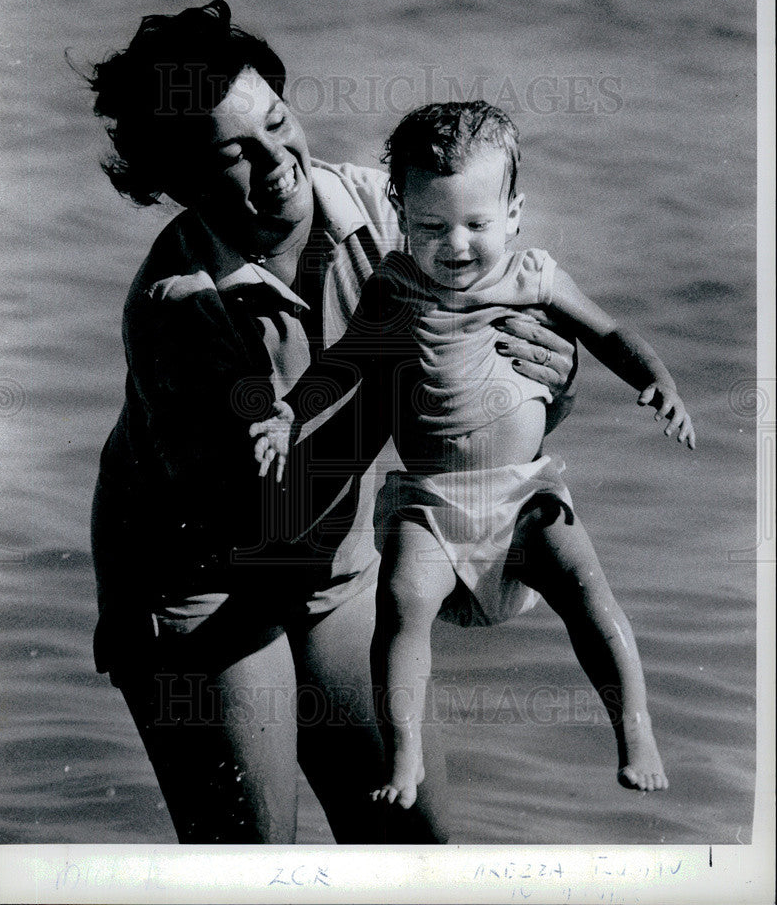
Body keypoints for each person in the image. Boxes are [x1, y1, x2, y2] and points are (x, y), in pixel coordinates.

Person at [87, 0, 576, 844]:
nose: (275, 161)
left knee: (414, 845)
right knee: (250, 863)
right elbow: (271, 499)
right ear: (181, 182)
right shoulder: (180, 306)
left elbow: (498, 397)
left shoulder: (386, 216)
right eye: (233, 152)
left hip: (334, 565)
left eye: (277, 122)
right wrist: (402, 360)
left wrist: (550, 381)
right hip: (201, 582)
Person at [252, 101, 695, 811]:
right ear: (400, 214)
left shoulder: (534, 277)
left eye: (476, 225)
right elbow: (343, 364)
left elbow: (610, 335)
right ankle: (403, 756)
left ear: (514, 213)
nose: (454, 246)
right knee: (399, 609)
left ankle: (634, 732)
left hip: (523, 494)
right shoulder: (393, 288)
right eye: (430, 226)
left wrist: (658, 382)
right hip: (429, 502)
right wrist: (287, 414)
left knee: (587, 593)